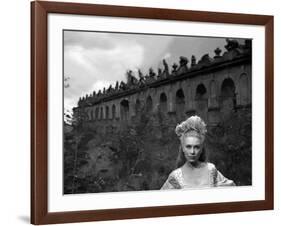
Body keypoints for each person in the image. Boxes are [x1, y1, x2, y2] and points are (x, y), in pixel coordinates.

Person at [161, 115, 235, 189]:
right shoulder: (175, 177)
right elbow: (160, 198)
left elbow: (233, 190)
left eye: (196, 147)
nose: (192, 152)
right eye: (188, 147)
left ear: (201, 149)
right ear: (183, 148)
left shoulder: (211, 171)